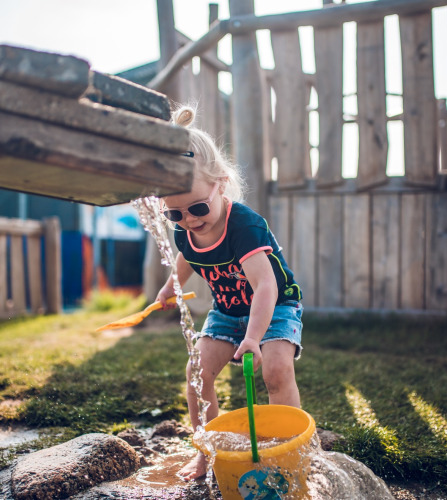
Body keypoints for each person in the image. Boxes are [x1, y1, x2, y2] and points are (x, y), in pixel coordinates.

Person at [156, 106, 304, 481]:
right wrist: (170, 288)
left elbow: (266, 286)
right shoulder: (185, 227)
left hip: (274, 306)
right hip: (227, 311)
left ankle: (287, 450)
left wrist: (254, 337)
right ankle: (208, 453)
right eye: (175, 214)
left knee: (275, 369)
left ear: (220, 183)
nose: (188, 220)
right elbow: (187, 257)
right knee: (196, 374)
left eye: (198, 208)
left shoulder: (244, 225)